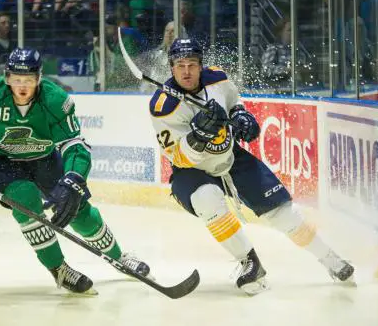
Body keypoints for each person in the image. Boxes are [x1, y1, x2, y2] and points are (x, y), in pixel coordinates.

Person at [148, 38, 354, 295]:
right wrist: (197, 137)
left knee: (283, 214)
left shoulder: (218, 79)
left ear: (201, 66)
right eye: (180, 65)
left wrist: (241, 117)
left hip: (230, 157)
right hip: (192, 171)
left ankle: (331, 259)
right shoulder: (163, 106)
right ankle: (250, 263)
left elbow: (235, 103)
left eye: (192, 64)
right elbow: (178, 157)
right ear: (171, 68)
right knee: (206, 199)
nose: (186, 71)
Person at [0, 48, 150, 295]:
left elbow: (75, 146)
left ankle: (119, 257)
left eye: (29, 80)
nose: (22, 87)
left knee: (77, 209)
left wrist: (74, 180)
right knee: (26, 197)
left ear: (39, 78)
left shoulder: (56, 100)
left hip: (43, 158)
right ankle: (60, 270)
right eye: (17, 80)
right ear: (7, 77)